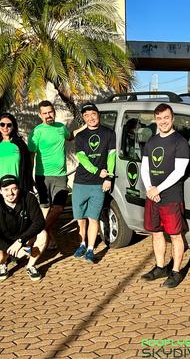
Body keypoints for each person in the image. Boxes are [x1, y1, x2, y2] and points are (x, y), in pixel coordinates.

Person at [140, 103, 190, 288]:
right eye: (159, 118)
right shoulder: (151, 141)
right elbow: (144, 167)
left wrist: (158, 189)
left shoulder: (180, 142)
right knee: (156, 232)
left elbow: (179, 171)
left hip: (171, 197)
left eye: (166, 118)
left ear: (172, 118)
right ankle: (160, 267)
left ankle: (176, 271)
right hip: (153, 196)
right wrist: (149, 189)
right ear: (155, 120)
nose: (163, 122)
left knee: (175, 235)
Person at [72, 103, 116, 262]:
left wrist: (109, 177)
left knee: (93, 217)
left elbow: (111, 156)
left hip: (98, 185)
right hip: (81, 182)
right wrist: (97, 171)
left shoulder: (109, 133)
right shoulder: (80, 136)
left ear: (98, 115)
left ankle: (90, 249)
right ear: (83, 118)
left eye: (93, 114)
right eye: (86, 115)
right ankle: (82, 244)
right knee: (80, 218)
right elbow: (82, 158)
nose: (90, 118)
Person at [28, 100, 72, 250]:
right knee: (45, 209)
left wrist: (84, 127)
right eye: (45, 113)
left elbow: (70, 136)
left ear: (54, 112)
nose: (48, 115)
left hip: (60, 175)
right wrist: (30, 176)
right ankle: (49, 239)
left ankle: (36, 234)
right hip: (42, 176)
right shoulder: (36, 132)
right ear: (40, 115)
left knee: (58, 208)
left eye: (50, 112)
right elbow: (31, 155)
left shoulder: (61, 128)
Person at [0, 175, 47, 281]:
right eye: (6, 189)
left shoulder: (29, 198)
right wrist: (10, 249)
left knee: (43, 234)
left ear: (19, 188)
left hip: (24, 238)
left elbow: (40, 222)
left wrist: (20, 241)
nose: (10, 193)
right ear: (0, 191)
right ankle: (3, 264)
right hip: (5, 242)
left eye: (14, 189)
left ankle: (30, 266)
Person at [0, 113, 33, 201]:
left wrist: (28, 184)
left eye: (9, 125)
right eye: (2, 124)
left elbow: (27, 167)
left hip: (17, 188)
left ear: (13, 126)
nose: (5, 127)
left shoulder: (20, 144)